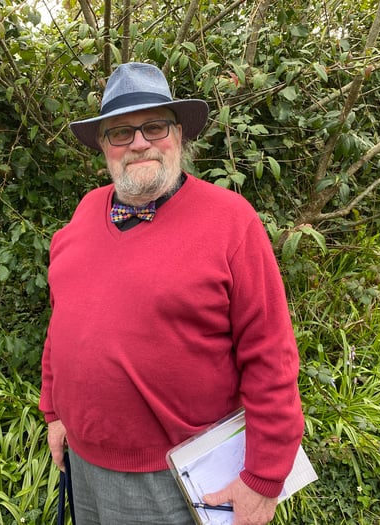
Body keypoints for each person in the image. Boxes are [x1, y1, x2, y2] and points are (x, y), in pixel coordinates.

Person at [39, 62, 304, 525]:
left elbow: (271, 355)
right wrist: (54, 412)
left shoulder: (231, 221)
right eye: (121, 132)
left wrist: (264, 477)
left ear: (178, 135)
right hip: (84, 464)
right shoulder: (83, 213)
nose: (139, 142)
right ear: (104, 146)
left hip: (177, 476)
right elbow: (62, 322)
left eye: (155, 127)